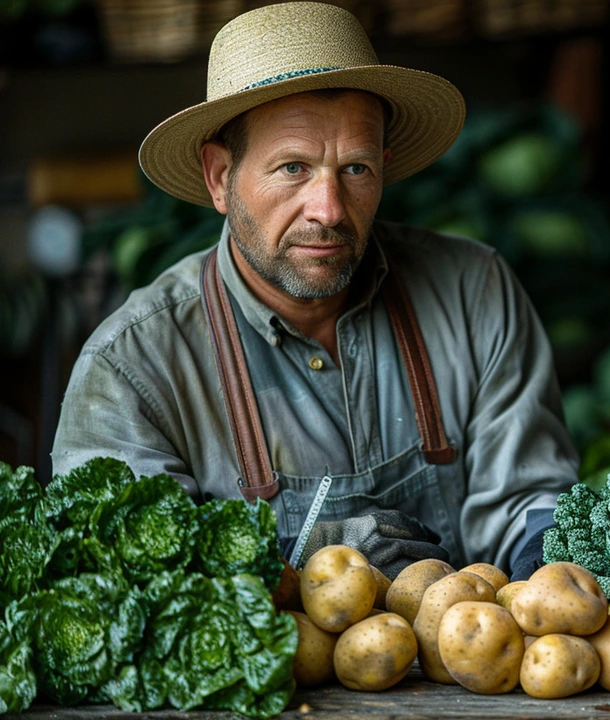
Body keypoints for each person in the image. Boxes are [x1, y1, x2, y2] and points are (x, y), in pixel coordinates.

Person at [50, 1, 579, 580]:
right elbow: (134, 585)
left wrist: (545, 575)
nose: (328, 211)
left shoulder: (471, 291)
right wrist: (304, 564)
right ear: (220, 177)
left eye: (355, 169)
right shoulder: (133, 368)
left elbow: (531, 497)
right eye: (293, 168)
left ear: (385, 165)